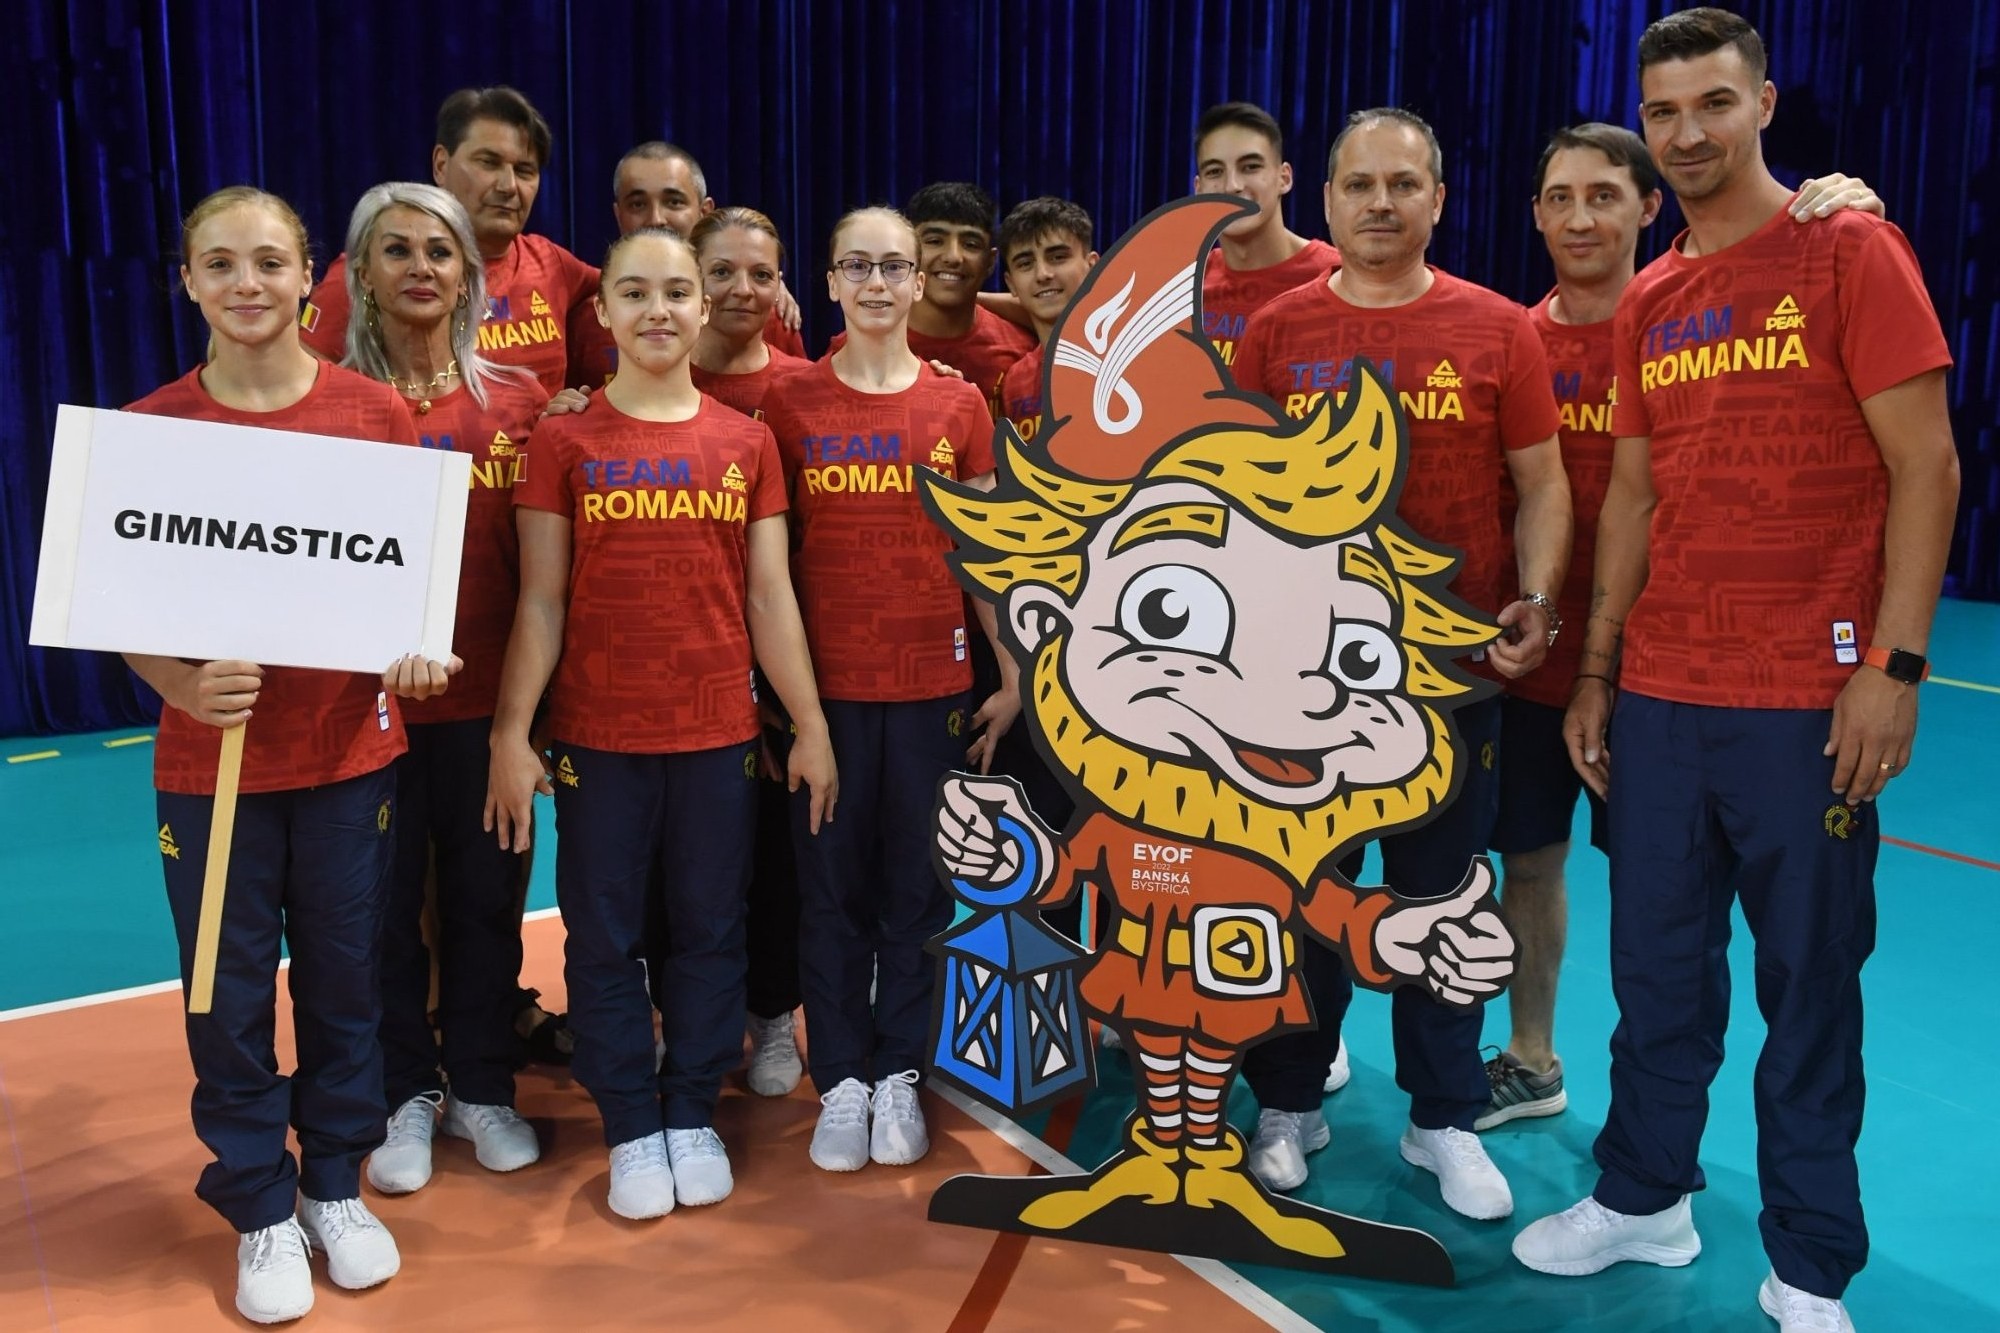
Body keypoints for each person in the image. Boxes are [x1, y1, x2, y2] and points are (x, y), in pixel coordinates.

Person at [1511, 13, 1959, 1332]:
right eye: (1663, 110)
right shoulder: (1652, 299)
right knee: (1655, 969)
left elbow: (1926, 465)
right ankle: (1643, 1194)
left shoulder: (1848, 248)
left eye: (1713, 102)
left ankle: (1810, 1258)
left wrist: (1894, 665)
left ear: (1762, 103)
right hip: (1661, 695)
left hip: (1806, 700)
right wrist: (1598, 670)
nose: (1688, 131)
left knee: (1806, 985)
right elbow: (1635, 497)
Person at [1480, 129, 1885, 1132]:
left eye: (1604, 195)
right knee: (1531, 865)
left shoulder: (1692, 312)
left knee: (1674, 913)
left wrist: (1841, 206)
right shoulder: (1510, 340)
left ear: (1647, 204)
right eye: (1559, 197)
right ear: (1534, 214)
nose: (1581, 218)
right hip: (1544, 668)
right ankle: (1533, 1058)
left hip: (1668, 678)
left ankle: (1685, 1152)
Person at [123, 185, 456, 1324]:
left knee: (347, 981)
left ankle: (333, 1185)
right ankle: (259, 1202)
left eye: (269, 261)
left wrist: (416, 652)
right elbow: (120, 601)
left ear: (310, 275)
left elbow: (410, 587)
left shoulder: (373, 415)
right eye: (220, 263)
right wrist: (178, 682)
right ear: (188, 281)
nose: (247, 284)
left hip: (347, 759)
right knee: (223, 995)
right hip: (210, 769)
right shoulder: (153, 428)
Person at [1231, 106, 1572, 1216]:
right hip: (1299, 695)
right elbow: (1236, 495)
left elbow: (1543, 483)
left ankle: (1442, 1119)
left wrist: (1534, 600)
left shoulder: (1497, 328)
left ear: (1437, 199)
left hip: (1449, 684)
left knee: (1445, 903)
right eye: (1359, 184)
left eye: (1402, 184)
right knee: (1305, 902)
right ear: (1327, 200)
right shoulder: (1274, 332)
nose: (1380, 202)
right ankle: (1289, 1100)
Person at [486, 226, 836, 1219]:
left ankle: (690, 1109)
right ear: (601, 312)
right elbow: (541, 601)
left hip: (718, 736)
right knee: (603, 939)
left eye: (676, 291)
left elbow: (769, 596)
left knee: (710, 930)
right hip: (598, 741)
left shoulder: (746, 443)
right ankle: (631, 1123)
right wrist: (512, 731)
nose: (657, 310)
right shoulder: (563, 441)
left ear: (704, 306)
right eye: (633, 292)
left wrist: (808, 721)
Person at [761, 207, 1010, 1173]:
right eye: (857, 265)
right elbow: (767, 569)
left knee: (916, 887)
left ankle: (899, 1068)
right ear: (829, 281)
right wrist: (790, 707)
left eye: (894, 266)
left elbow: (981, 551)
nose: (876, 282)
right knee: (829, 891)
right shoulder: (787, 405)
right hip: (821, 698)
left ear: (918, 281)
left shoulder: (959, 406)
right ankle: (842, 1079)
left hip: (930, 688)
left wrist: (1013, 669)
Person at [333, 181, 551, 1193]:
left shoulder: (522, 403)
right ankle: (403, 1092)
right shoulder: (327, 406)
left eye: (439, 250)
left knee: (484, 902)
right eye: (396, 250)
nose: (419, 266)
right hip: (361, 715)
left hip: (489, 712)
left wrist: (523, 725)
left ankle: (482, 1086)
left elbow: (541, 578)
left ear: (469, 276)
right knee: (379, 914)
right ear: (360, 274)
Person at [686, 206, 811, 1095]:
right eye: (721, 272)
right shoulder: (641, 379)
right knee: (682, 865)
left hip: (789, 652)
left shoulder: (808, 388)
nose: (741, 289)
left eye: (760, 274)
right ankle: (690, 1013)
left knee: (777, 856)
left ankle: (772, 1012)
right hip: (685, 663)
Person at [300, 86, 599, 398]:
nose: (509, 186)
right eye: (489, 162)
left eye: (524, 170)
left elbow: (625, 288)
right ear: (441, 165)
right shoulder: (375, 271)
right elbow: (302, 390)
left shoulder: (552, 262)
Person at [568, 142, 806, 387]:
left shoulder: (760, 312)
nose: (656, 219)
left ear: (704, 211)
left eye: (674, 202)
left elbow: (803, 394)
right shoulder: (587, 319)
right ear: (619, 215)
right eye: (638, 204)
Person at [825, 184, 1035, 414]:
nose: (953, 257)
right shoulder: (849, 352)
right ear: (911, 253)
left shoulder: (1022, 349)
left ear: (991, 261)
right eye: (935, 241)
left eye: (971, 244)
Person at [1191, 101, 1341, 367]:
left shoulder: (1338, 277)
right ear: (1199, 189)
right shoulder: (1183, 288)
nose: (1232, 186)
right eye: (1215, 172)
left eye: (1250, 167)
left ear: (1284, 178)